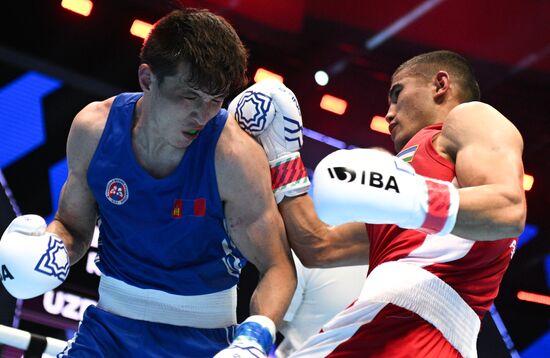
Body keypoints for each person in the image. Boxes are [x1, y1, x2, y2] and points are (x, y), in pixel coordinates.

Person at [0, 8, 296, 357]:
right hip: (108, 331)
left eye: (215, 101)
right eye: (189, 96)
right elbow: (72, 226)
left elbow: (277, 266)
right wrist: (51, 252)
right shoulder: (94, 130)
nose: (202, 116)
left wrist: (256, 336)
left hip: (201, 340)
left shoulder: (233, 157)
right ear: (147, 78)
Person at [230, 50, 526, 357]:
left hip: (407, 321)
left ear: (440, 85)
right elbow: (320, 246)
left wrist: (407, 194)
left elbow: (508, 208)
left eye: (397, 94)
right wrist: (284, 157)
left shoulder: (469, 117)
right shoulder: (406, 196)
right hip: (403, 327)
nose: (389, 113)